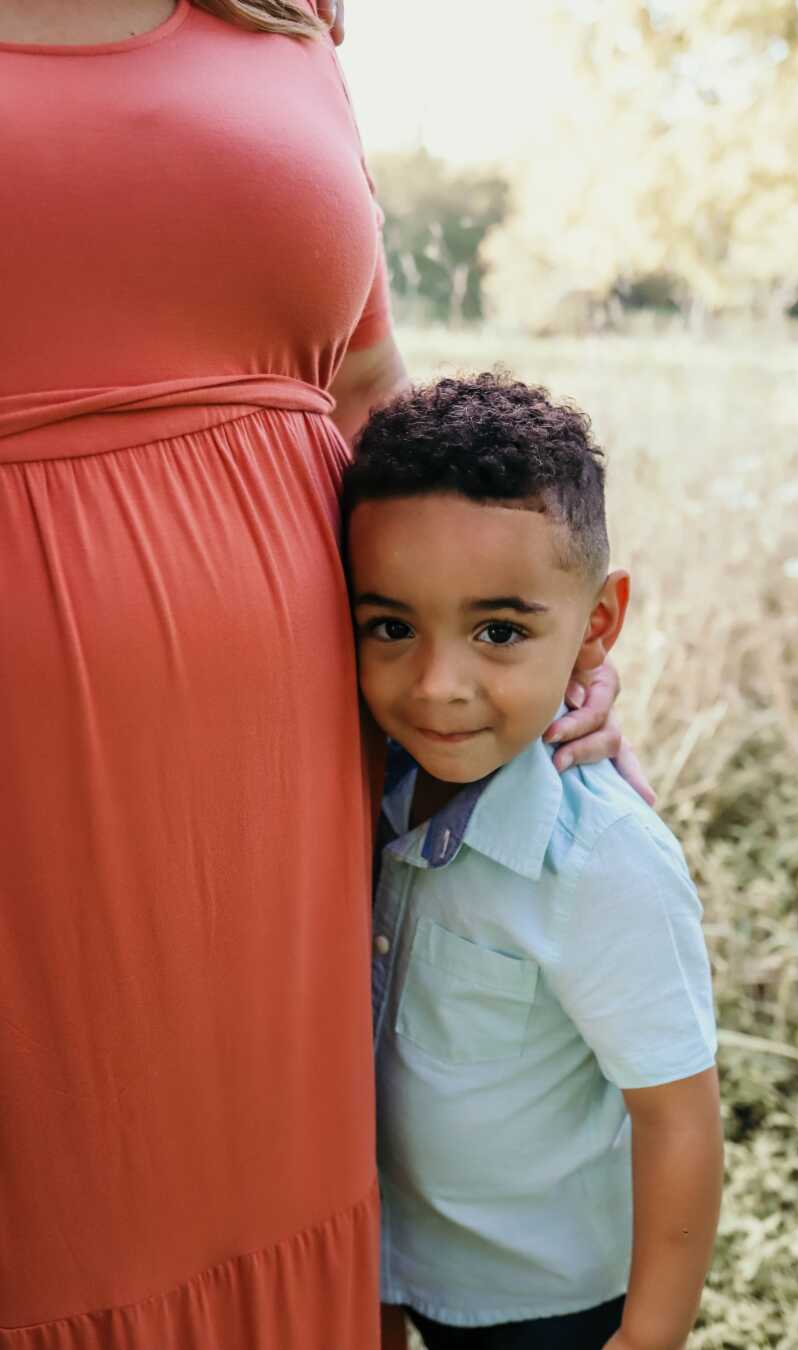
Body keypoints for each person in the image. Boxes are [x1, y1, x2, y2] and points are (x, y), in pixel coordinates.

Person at [0, 4, 641, 1347]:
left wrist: (532, 635)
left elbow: (365, 393)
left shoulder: (276, 15)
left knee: (265, 1193)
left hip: (283, 823)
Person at [344, 373, 724, 1350]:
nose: (438, 686)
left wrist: (646, 1342)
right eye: (390, 626)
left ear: (597, 626)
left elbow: (677, 1118)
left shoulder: (602, 861)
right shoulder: (364, 782)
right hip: (392, 1258)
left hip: (546, 1305)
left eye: (499, 632)